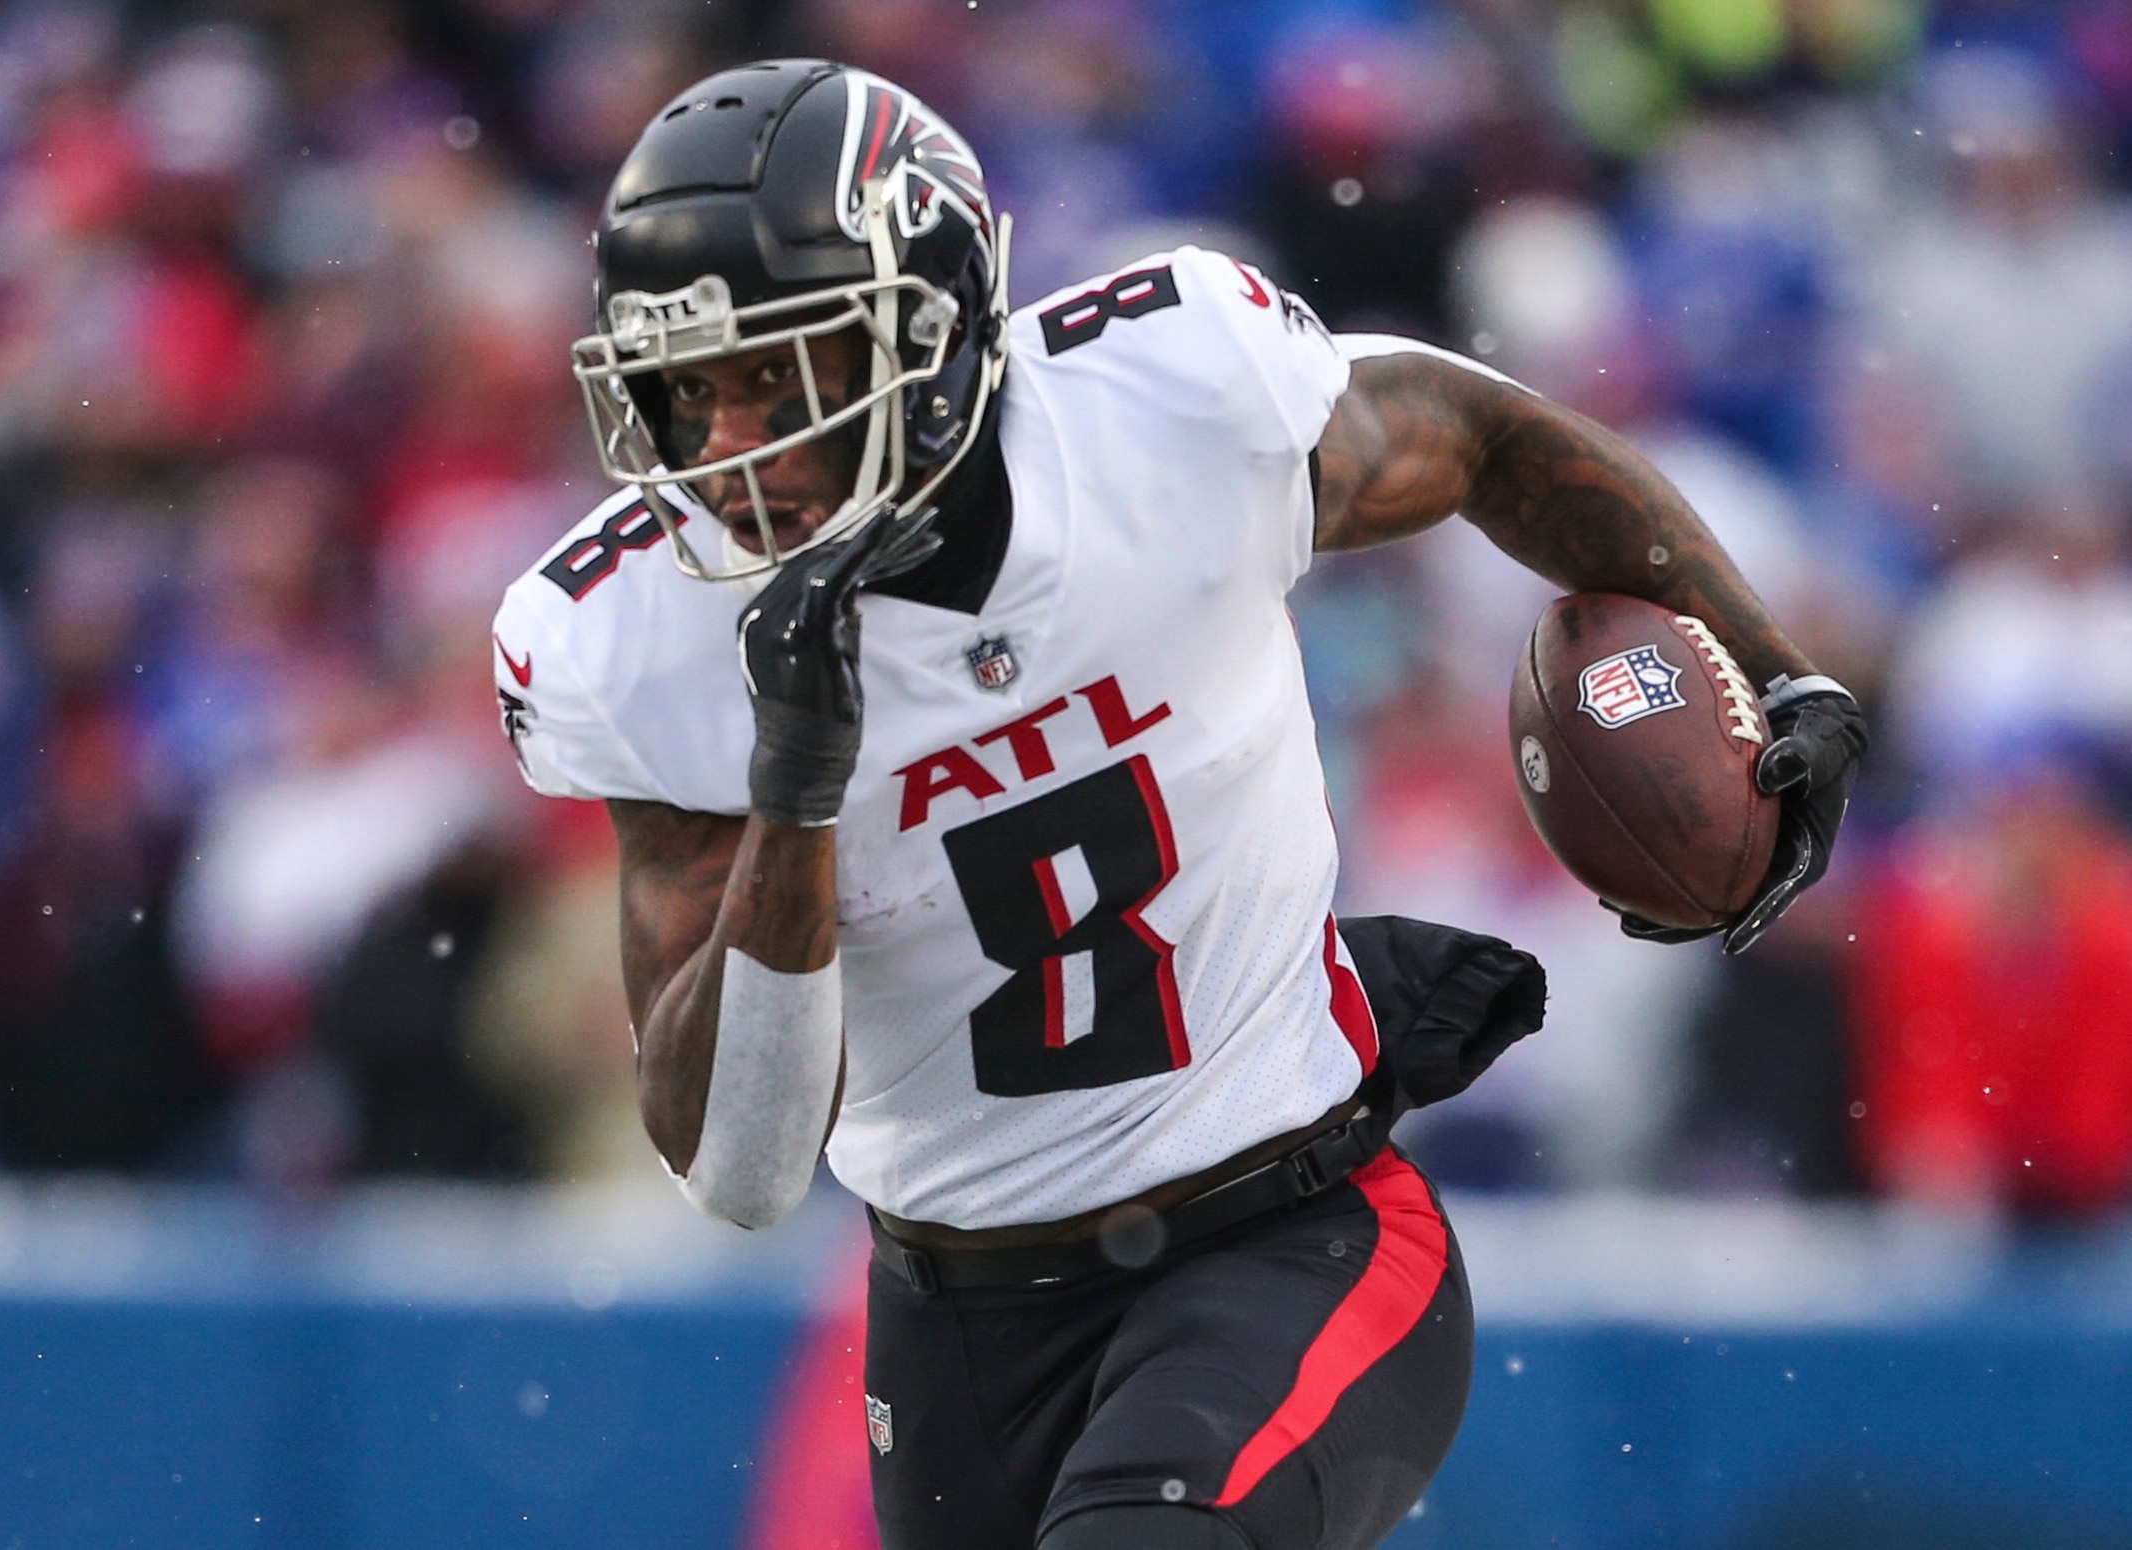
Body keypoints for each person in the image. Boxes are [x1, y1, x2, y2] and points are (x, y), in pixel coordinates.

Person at [490, 60, 1866, 1550]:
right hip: (951, 1327)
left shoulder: (1167, 403)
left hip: (1282, 1229)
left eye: (780, 371)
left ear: (931, 323)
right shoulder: (635, 637)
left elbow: (1482, 434)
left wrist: (1770, 668)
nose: (724, 449)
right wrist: (797, 792)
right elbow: (742, 1170)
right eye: (686, 391)